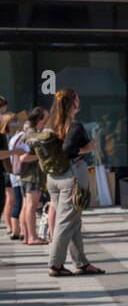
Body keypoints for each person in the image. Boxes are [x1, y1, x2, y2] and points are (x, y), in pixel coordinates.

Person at [36, 89, 106, 278]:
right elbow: (68, 150)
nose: (79, 100)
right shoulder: (74, 126)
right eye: (77, 97)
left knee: (73, 221)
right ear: (73, 103)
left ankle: (81, 263)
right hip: (71, 176)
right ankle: (55, 264)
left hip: (54, 178)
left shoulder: (50, 125)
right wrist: (87, 148)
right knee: (66, 222)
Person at [14, 108, 47, 245]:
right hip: (32, 176)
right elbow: (24, 157)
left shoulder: (28, 133)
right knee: (31, 207)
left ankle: (27, 236)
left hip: (26, 176)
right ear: (40, 119)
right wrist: (42, 156)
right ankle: (32, 237)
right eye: (46, 117)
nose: (47, 120)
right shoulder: (32, 135)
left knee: (27, 206)